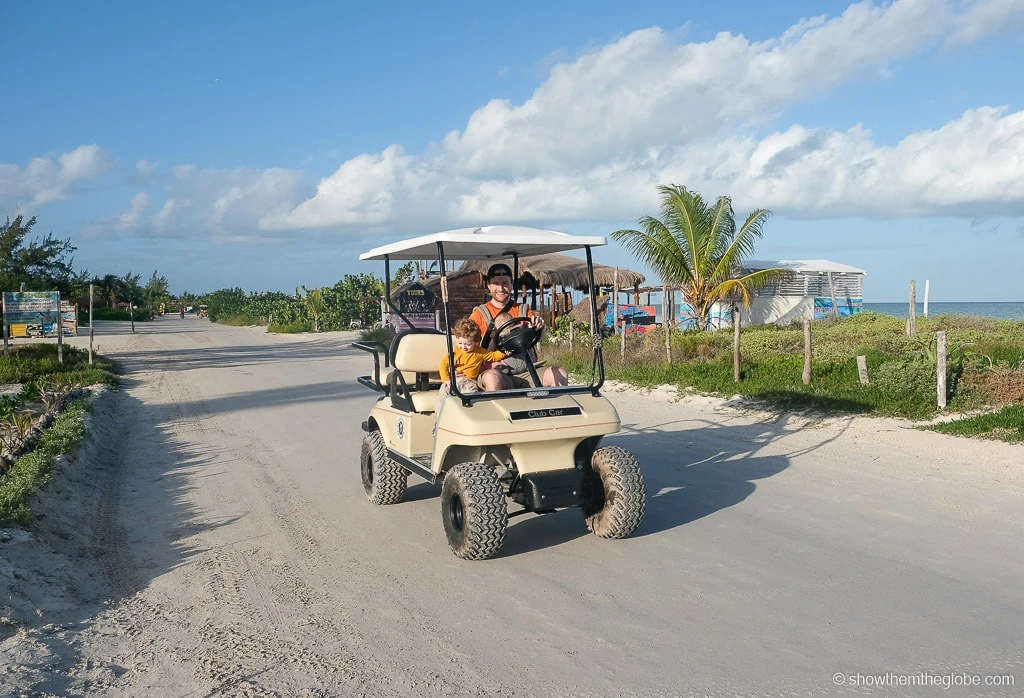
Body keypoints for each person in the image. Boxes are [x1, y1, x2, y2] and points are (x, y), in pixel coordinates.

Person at [469, 263, 568, 390]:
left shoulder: (523, 310)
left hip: (526, 369)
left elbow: (539, 335)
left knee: (558, 373)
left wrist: (539, 326)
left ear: (511, 284)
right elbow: (467, 346)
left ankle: (556, 408)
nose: (501, 288)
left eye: (505, 283)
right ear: (488, 285)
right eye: (496, 283)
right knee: (491, 379)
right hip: (496, 371)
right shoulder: (479, 315)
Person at [436, 317, 511, 411]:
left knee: (472, 401)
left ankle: (472, 418)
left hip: (470, 382)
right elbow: (443, 364)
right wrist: (446, 379)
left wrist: (504, 352)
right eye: (460, 343)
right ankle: (440, 418)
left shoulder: (480, 352)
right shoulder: (455, 352)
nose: (463, 347)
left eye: (467, 344)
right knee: (442, 398)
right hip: (453, 381)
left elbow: (493, 356)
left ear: (476, 342)